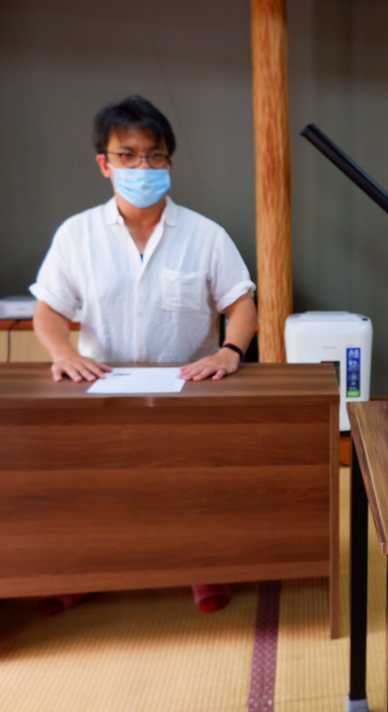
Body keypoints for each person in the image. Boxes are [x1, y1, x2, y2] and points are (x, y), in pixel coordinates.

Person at [29, 95, 258, 615]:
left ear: (169, 163)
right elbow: (47, 312)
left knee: (190, 487)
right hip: (99, 386)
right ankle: (85, 571)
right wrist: (61, 352)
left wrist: (229, 351)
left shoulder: (205, 235)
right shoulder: (77, 235)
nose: (142, 167)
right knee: (96, 490)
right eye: (128, 155)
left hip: (187, 387)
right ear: (104, 163)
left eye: (155, 156)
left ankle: (202, 568)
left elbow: (243, 307)